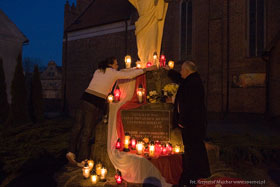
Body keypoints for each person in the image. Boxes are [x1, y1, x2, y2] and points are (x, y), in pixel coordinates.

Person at [66, 57, 157, 167]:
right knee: (87, 131)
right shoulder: (113, 73)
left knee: (77, 126)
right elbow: (129, 75)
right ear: (111, 64)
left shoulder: (98, 71)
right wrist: (145, 70)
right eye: (116, 64)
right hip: (94, 103)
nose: (117, 66)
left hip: (84, 99)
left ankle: (71, 152)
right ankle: (82, 159)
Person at [165, 61, 210, 186]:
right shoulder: (191, 79)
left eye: (182, 70)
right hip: (192, 124)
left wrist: (182, 121)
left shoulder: (193, 83)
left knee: (193, 150)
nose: (180, 72)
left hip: (192, 124)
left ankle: (192, 177)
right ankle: (196, 174)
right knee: (193, 149)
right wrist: (168, 70)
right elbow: (180, 81)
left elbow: (190, 104)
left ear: (187, 71)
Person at [128, 0, 168, 66]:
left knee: (152, 48)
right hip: (141, 24)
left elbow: (160, 15)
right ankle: (145, 65)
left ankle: (151, 64)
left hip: (152, 23)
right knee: (142, 50)